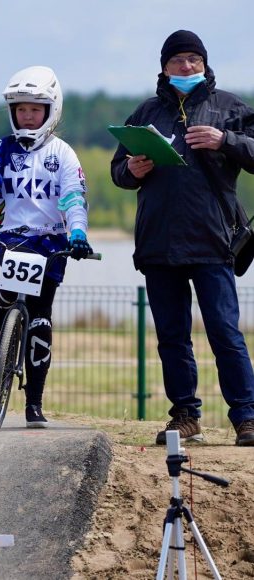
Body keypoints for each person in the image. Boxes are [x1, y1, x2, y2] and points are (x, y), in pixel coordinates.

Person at [110, 30, 254, 447]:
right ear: (164, 67)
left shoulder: (230, 107)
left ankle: (246, 417)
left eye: (193, 59)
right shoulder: (146, 112)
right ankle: (185, 415)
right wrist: (130, 171)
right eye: (177, 61)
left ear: (205, 63)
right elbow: (118, 171)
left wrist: (225, 140)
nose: (186, 67)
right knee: (171, 336)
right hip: (158, 244)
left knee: (225, 332)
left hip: (212, 242)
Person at [0, 66, 94, 429]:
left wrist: (78, 233)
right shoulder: (2, 149)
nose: (27, 116)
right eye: (21, 109)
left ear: (50, 111)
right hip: (12, 235)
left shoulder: (64, 154)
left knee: (41, 316)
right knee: (13, 282)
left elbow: (74, 198)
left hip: (52, 240)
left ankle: (34, 404)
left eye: (34, 109)